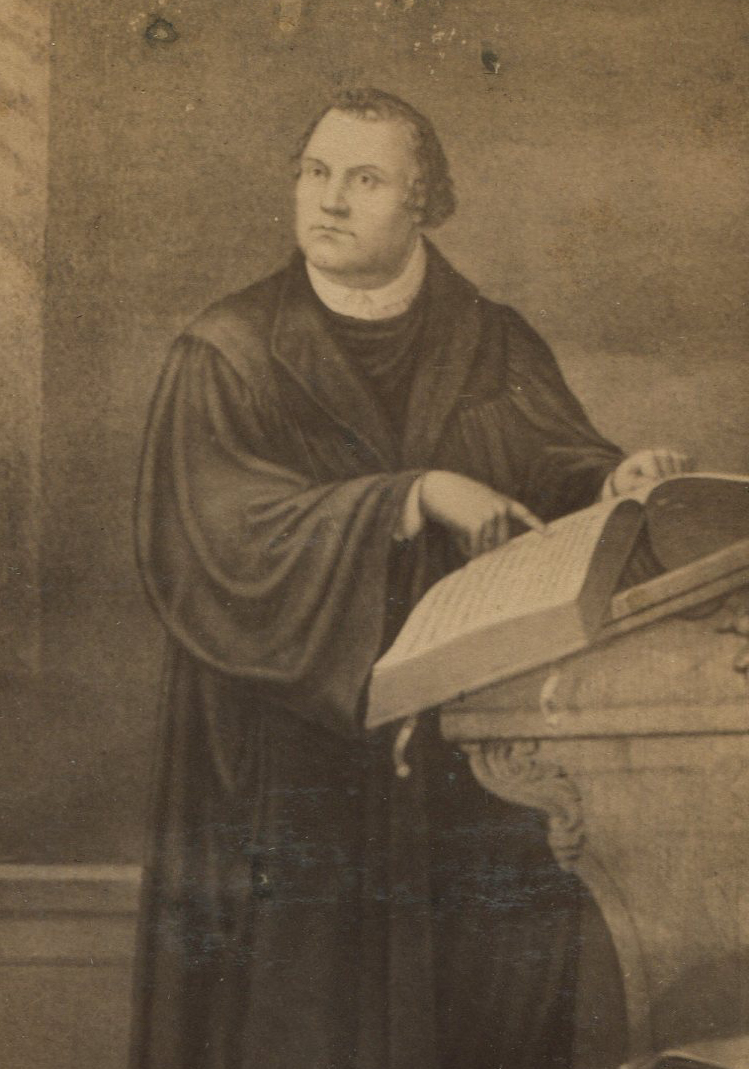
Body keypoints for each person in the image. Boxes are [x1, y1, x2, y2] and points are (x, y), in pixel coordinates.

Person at [130, 87, 691, 1069]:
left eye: (364, 179)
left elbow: (551, 466)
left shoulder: (492, 338)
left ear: (422, 202)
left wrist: (616, 481)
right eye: (315, 172)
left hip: (465, 750)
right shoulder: (226, 349)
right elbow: (209, 537)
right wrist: (411, 496)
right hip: (287, 755)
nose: (329, 200)